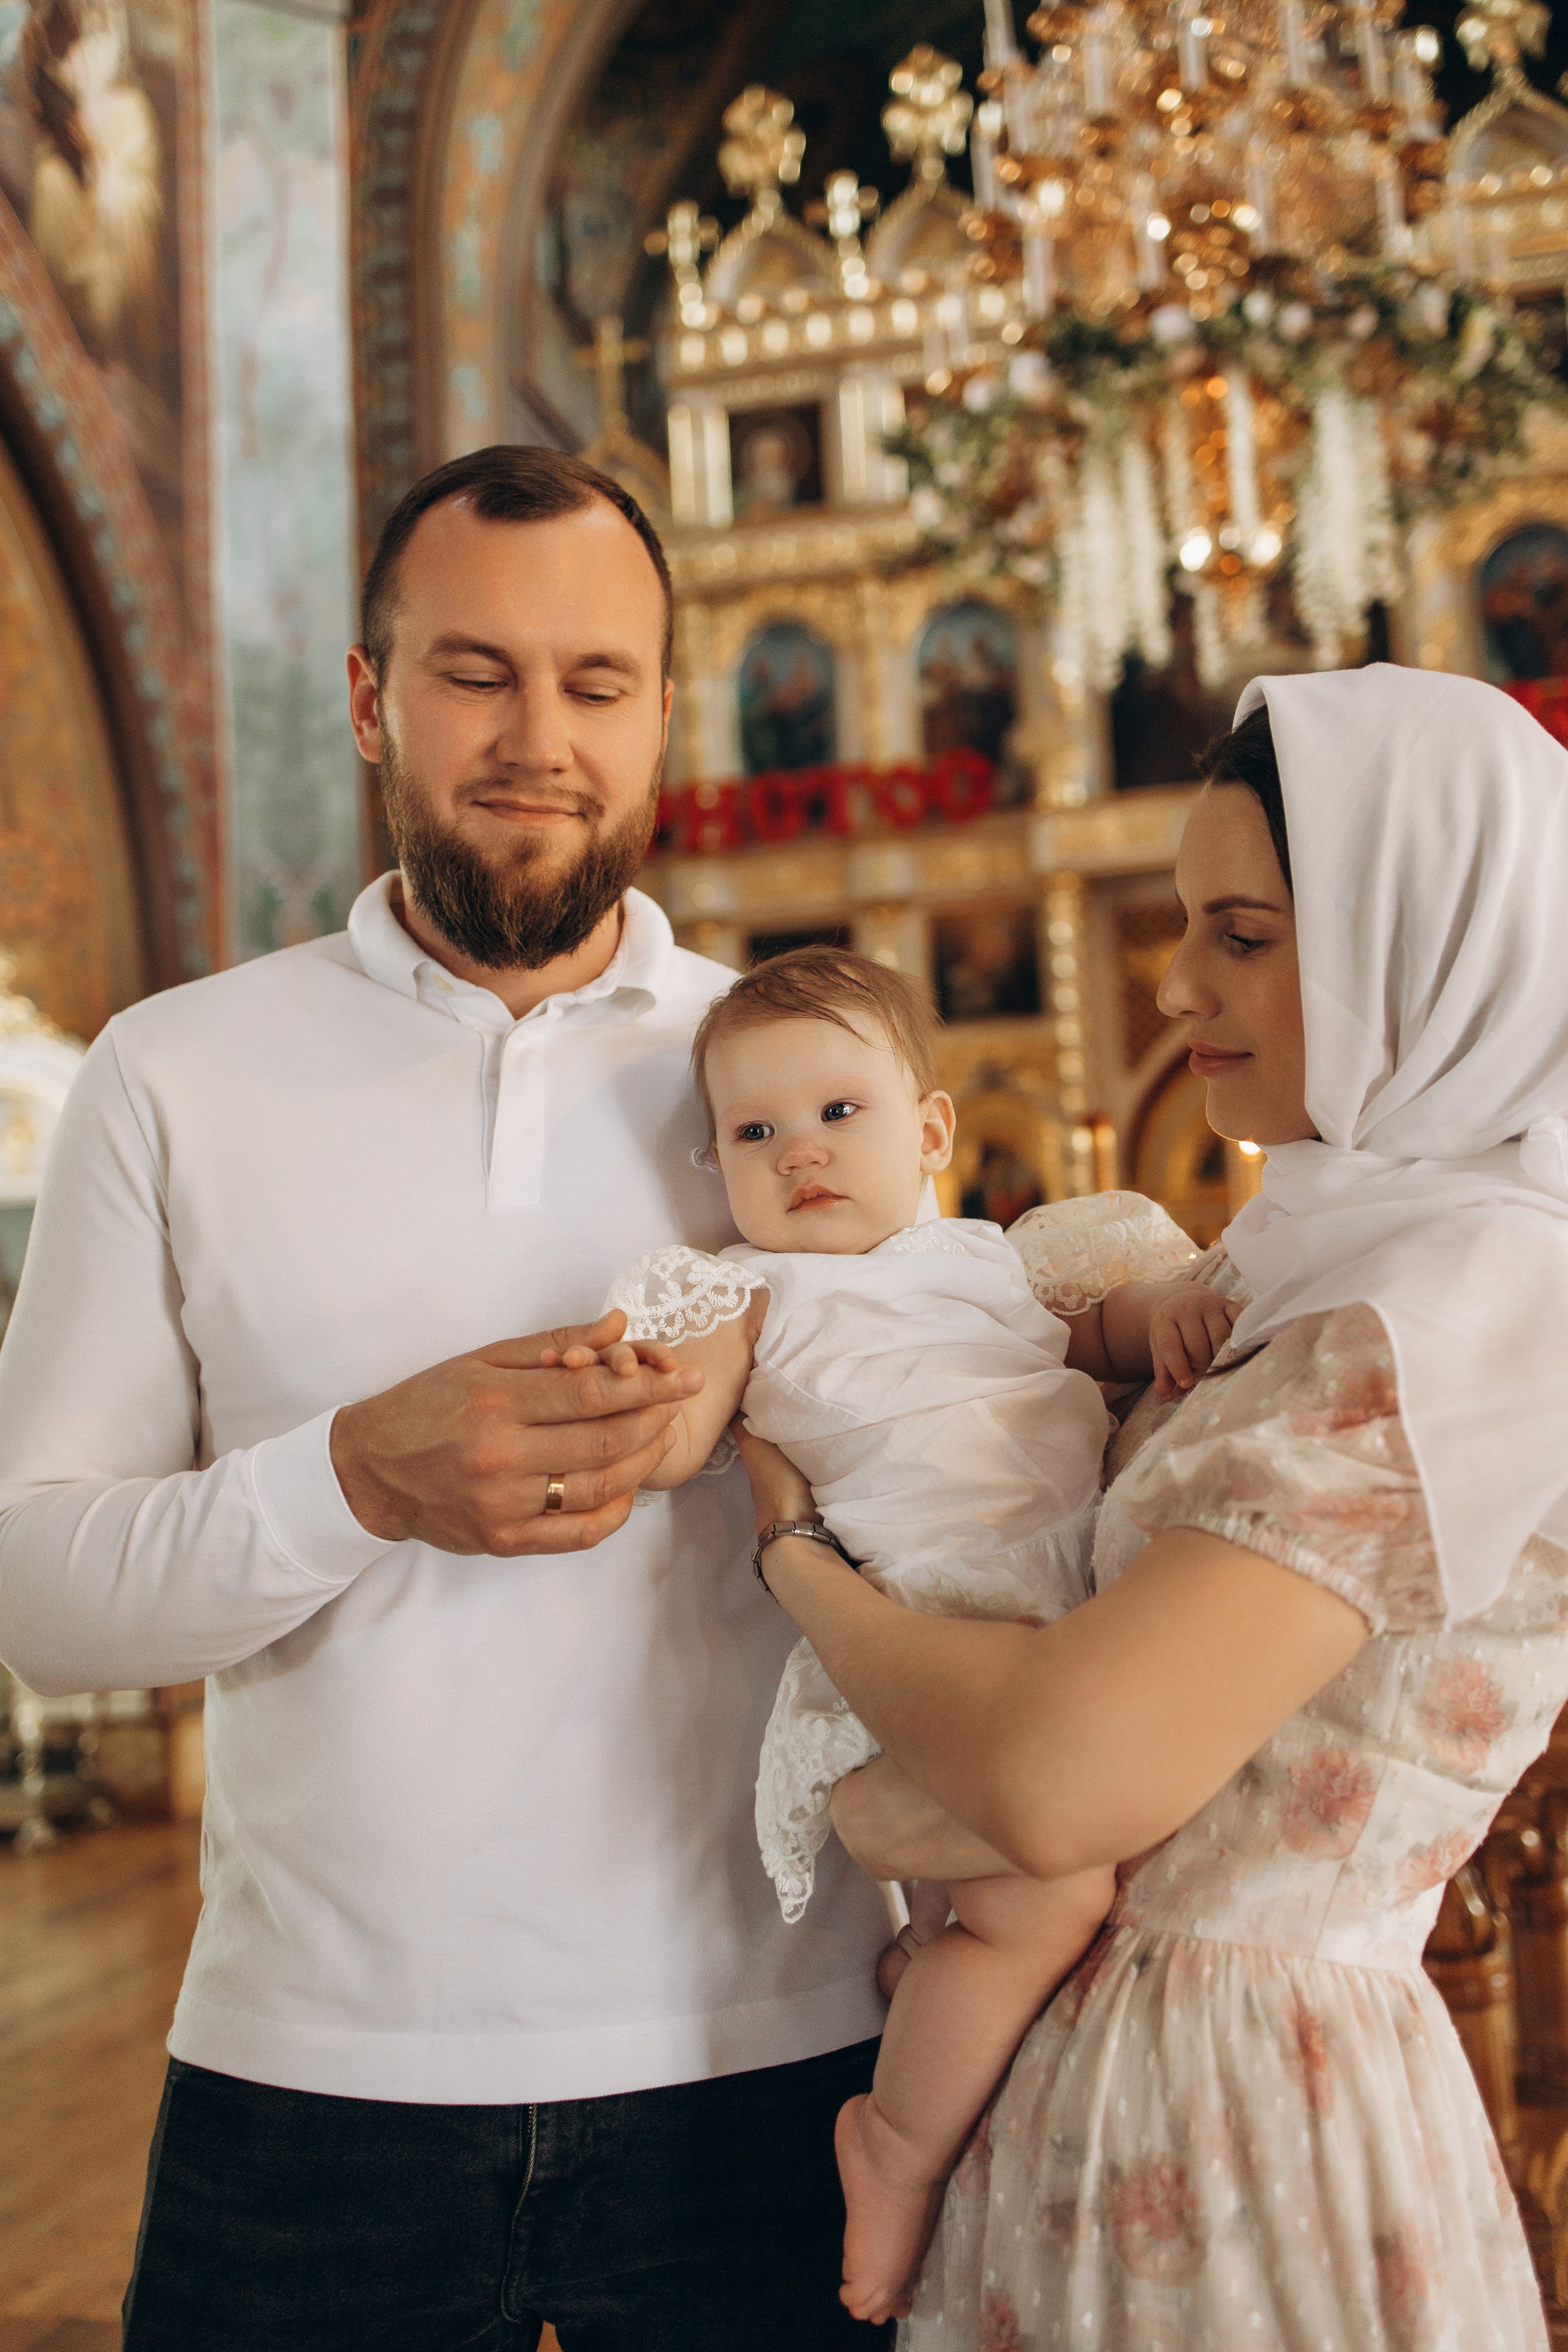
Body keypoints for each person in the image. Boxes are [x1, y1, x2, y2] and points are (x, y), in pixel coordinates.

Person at [0, 445, 900, 2351]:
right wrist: (352, 1482)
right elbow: (36, 1586)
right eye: (474, 672)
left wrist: (775, 1371)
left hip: (775, 2057)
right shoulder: (173, 1075)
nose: (537, 739)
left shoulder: (806, 1078)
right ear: (368, 696)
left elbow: (977, 1447)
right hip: (309, 2086)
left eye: (597, 685)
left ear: (666, 714)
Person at [733, 663, 1568, 2347]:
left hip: (1245, 2116)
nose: (1176, 982)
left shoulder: (1474, 1301)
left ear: (1435, 945)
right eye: (1191, 926)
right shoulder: (1315, 1247)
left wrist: (796, 1558)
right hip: (1092, 2068)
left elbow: (1058, 1776)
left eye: (1244, 935)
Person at [568, 944, 1235, 2324]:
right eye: (754, 1133)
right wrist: (641, 1407)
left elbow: (1086, 1340)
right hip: (924, 1629)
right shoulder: (753, 1290)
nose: (798, 1155)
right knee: (1045, 1898)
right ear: (717, 1168)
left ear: (930, 1132)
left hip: (1062, 1607)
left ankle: (930, 1986)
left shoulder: (988, 1260)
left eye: (836, 1114)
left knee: (1038, 1892)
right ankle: (895, 2147)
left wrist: (1159, 1314)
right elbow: (692, 1427)